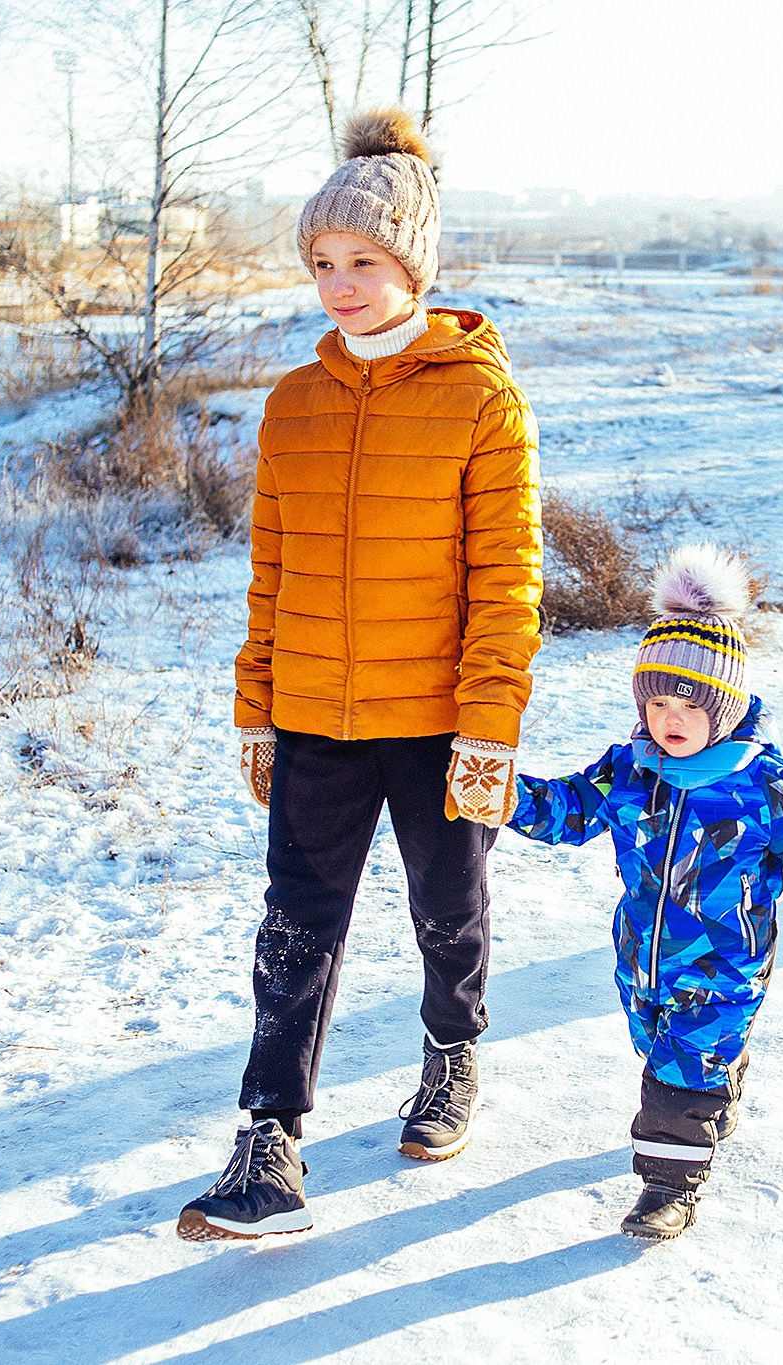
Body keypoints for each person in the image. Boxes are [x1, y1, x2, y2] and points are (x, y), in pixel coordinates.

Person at [175, 107, 543, 1243]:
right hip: (313, 717)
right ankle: (268, 1139)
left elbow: (507, 581)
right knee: (295, 924)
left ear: (412, 265)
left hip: (437, 720)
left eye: (363, 262)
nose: (339, 285)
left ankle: (451, 1056)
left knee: (448, 909)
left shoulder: (481, 398)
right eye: (323, 263)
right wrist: (257, 707)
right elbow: (270, 572)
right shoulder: (293, 403)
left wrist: (489, 727)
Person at [506, 546, 783, 1241]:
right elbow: (568, 811)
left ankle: (668, 1187)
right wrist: (507, 797)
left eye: (690, 704)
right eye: (657, 701)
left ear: (724, 708)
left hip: (725, 968)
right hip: (641, 961)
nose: (671, 717)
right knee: (660, 1048)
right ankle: (720, 1079)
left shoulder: (762, 783)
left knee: (680, 1076)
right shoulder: (630, 771)